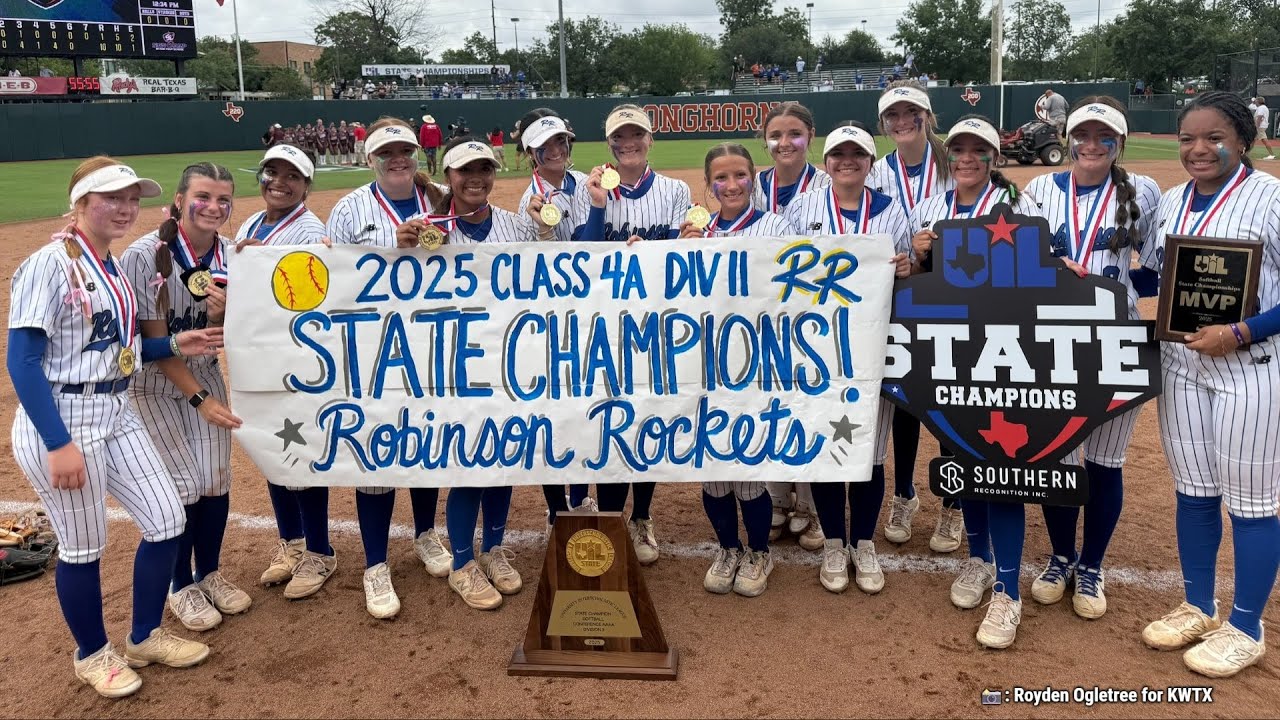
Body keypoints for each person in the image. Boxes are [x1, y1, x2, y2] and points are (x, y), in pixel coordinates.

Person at [9, 157, 220, 697]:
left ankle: (145, 634)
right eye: (111, 198)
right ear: (80, 202)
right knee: (84, 546)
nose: (126, 208)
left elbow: (119, 350)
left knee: (167, 518)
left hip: (118, 409)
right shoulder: (49, 264)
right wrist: (58, 444)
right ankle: (92, 654)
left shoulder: (110, 265)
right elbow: (23, 361)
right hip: (64, 418)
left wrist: (173, 344)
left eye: (132, 199)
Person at [1137, 91, 1280, 678]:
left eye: (1213, 136)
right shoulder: (1172, 200)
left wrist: (1243, 330)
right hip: (1183, 367)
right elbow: (1152, 272)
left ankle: (1246, 625)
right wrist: (1082, 265)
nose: (1199, 148)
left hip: (1250, 366)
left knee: (1251, 504)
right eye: (1188, 137)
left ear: (1241, 139)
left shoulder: (1270, 198)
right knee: (1193, 493)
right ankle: (1199, 604)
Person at [1018, 98, 1161, 627]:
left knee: (1105, 463)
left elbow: (1161, 266)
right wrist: (1053, 264)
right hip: (1049, 342)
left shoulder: (1142, 190)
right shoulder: (1039, 191)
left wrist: (1117, 286)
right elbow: (1017, 260)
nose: (1092, 145)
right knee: (1056, 458)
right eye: (1084, 134)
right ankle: (1060, 558)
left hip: (1118, 342)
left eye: (1104, 136)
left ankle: (1093, 565)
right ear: (1070, 136)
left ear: (1118, 142)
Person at [393, 137, 537, 610]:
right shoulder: (427, 230)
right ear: (448, 176)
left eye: (484, 169)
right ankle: (461, 563)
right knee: (469, 468)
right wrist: (402, 253)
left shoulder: (515, 224)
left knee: (503, 464)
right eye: (464, 170)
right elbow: (398, 297)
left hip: (509, 364)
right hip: (454, 369)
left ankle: (493, 549)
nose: (476, 178)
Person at [904, 115, 1035, 617]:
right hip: (948, 347)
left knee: (1002, 460)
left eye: (977, 150)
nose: (965, 158)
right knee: (963, 455)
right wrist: (916, 256)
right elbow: (914, 281)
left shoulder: (1016, 204)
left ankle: (1008, 589)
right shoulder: (929, 207)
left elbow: (1039, 270)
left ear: (992, 157)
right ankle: (978, 558)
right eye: (957, 149)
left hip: (1004, 347)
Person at [325, 117, 451, 619]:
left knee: (425, 441)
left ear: (417, 155)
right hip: (374, 347)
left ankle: (424, 535)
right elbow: (334, 278)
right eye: (386, 153)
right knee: (377, 454)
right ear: (371, 159)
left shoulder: (442, 199)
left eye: (405, 151)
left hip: (437, 340)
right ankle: (375, 564)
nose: (397, 159)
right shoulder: (350, 208)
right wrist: (386, 251)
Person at [120, 161, 252, 636]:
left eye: (223, 199)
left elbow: (244, 328)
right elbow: (154, 346)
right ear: (178, 200)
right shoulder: (145, 255)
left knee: (215, 479)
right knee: (181, 486)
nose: (213, 207)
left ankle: (209, 572)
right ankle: (181, 586)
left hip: (205, 373)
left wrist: (233, 306)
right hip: (154, 384)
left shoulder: (232, 255)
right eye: (203, 196)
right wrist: (200, 400)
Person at [782, 124, 913, 596]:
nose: (847, 161)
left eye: (857, 154)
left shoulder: (890, 209)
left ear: (870, 162)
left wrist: (906, 266)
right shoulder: (803, 207)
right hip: (816, 348)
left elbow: (910, 269)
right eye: (839, 154)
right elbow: (775, 264)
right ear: (826, 161)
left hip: (873, 346)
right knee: (825, 448)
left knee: (871, 453)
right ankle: (835, 541)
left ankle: (863, 541)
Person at [577, 104, 694, 564]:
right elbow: (581, 256)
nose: (628, 143)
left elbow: (680, 253)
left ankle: (641, 515)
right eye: (620, 137)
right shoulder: (592, 188)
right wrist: (597, 207)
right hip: (603, 323)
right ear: (609, 143)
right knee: (607, 418)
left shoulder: (674, 189)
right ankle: (609, 517)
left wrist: (650, 253)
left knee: (649, 416)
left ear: (650, 140)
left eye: (637, 135)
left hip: (655, 322)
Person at [681, 143, 793, 597]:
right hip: (704, 360)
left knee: (748, 467)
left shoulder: (774, 225)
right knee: (713, 467)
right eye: (721, 179)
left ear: (754, 178)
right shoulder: (694, 230)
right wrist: (666, 251)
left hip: (754, 358)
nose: (731, 186)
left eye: (740, 175)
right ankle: (728, 547)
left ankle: (759, 550)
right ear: (708, 186)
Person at [230, 145, 338, 600]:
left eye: (292, 176)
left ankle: (320, 550)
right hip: (261, 357)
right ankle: (291, 542)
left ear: (306, 187)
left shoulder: (310, 229)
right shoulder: (253, 224)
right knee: (275, 451)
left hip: (298, 358)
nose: (279, 181)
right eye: (272, 172)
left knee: (302, 453)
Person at [866, 81, 962, 554]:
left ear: (928, 115)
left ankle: (954, 501)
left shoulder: (956, 160)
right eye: (892, 116)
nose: (902, 122)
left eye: (911, 113)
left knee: (952, 401)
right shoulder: (876, 170)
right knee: (905, 400)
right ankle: (904, 494)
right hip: (897, 298)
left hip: (954, 300)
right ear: (883, 125)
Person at [751, 101, 831, 549]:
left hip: (810, 317)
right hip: (762, 318)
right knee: (770, 409)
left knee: (809, 405)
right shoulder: (751, 183)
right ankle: (780, 499)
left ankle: (813, 507)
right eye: (777, 134)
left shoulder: (825, 183)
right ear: (765, 140)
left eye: (795, 133)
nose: (785, 142)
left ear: (810, 137)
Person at [515, 109, 597, 525]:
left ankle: (581, 496)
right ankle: (555, 506)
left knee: (584, 404)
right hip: (549, 315)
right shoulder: (525, 200)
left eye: (563, 141)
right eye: (548, 144)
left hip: (589, 307)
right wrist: (545, 235)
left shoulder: (584, 183)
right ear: (533, 152)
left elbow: (588, 240)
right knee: (551, 408)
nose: (557, 149)